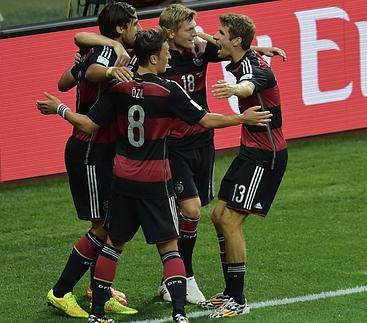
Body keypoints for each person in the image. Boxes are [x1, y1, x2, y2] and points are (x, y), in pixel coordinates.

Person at [37, 28, 272, 323]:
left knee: (113, 244)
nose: (168, 58)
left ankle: (97, 314)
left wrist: (58, 109)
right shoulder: (168, 90)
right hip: (155, 180)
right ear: (153, 56)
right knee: (169, 247)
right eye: (164, 53)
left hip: (122, 179)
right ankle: (178, 313)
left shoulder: (119, 88)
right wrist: (241, 118)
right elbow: (205, 119)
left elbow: (87, 124)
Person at [74, 3, 286, 305]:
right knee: (191, 210)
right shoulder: (154, 55)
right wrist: (106, 51)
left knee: (203, 211)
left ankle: (171, 281)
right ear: (170, 35)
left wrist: (259, 47)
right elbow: (82, 40)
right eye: (190, 30)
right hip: (172, 146)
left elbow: (230, 48)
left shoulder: (199, 49)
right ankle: (185, 278)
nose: (199, 35)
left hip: (202, 143)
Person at [46, 2, 140, 318]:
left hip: (103, 148)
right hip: (90, 149)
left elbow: (64, 80)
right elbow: (92, 70)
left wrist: (92, 60)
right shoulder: (106, 56)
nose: (138, 28)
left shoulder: (100, 50)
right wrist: (109, 65)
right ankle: (60, 293)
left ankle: (97, 289)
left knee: (107, 223)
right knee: (103, 227)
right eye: (134, 23)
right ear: (120, 28)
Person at [198, 13, 288, 318]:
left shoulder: (254, 68)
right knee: (218, 215)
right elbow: (219, 44)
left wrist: (233, 90)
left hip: (266, 155)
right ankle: (229, 290)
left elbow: (250, 86)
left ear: (236, 40)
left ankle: (238, 299)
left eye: (221, 33)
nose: (216, 36)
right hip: (250, 150)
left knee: (231, 221)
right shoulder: (242, 54)